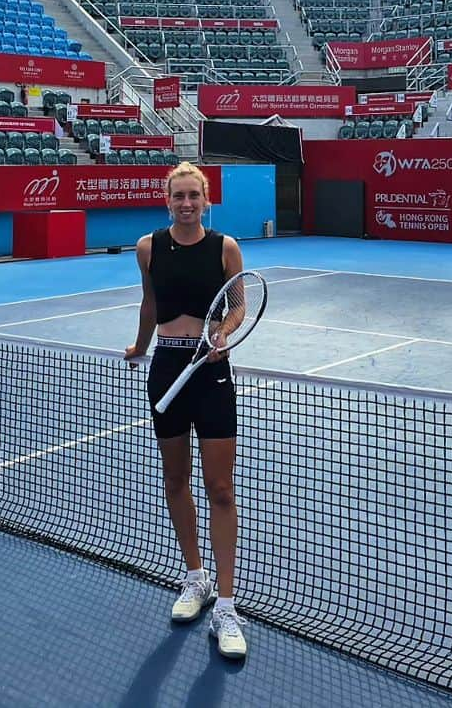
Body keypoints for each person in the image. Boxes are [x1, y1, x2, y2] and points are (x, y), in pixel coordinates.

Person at [124, 161, 248, 660]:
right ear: (167, 199)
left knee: (220, 487)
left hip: (211, 373)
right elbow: (149, 305)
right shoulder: (148, 247)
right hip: (166, 368)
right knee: (175, 480)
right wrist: (138, 347)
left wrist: (225, 333)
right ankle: (194, 580)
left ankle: (227, 605)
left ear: (206, 198)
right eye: (178, 196)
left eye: (194, 195)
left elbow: (237, 305)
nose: (186, 203)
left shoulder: (226, 248)